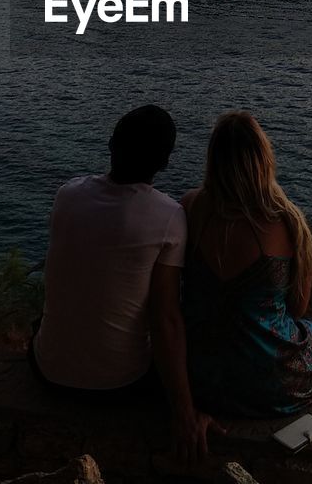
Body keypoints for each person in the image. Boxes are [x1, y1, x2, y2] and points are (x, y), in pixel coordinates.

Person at [31, 104, 218, 460]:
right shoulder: (169, 216)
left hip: (48, 371)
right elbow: (165, 319)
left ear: (111, 145)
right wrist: (184, 411)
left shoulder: (67, 195)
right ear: (164, 162)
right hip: (118, 385)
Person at [181, 111, 312, 417]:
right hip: (267, 384)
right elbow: (298, 308)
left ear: (214, 159)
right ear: (264, 159)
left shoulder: (189, 207)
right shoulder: (289, 223)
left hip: (200, 376)